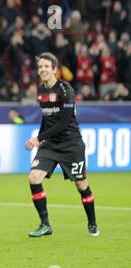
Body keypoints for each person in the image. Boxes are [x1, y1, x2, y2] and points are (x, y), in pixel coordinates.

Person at [25, 52, 99, 237]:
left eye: (46, 67)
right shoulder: (41, 90)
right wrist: (42, 139)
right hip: (50, 145)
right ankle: (45, 225)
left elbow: (63, 123)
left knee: (81, 185)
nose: (42, 70)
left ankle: (92, 223)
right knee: (34, 178)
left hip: (71, 144)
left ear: (54, 70)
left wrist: (39, 139)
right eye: (40, 67)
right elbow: (46, 118)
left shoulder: (66, 90)